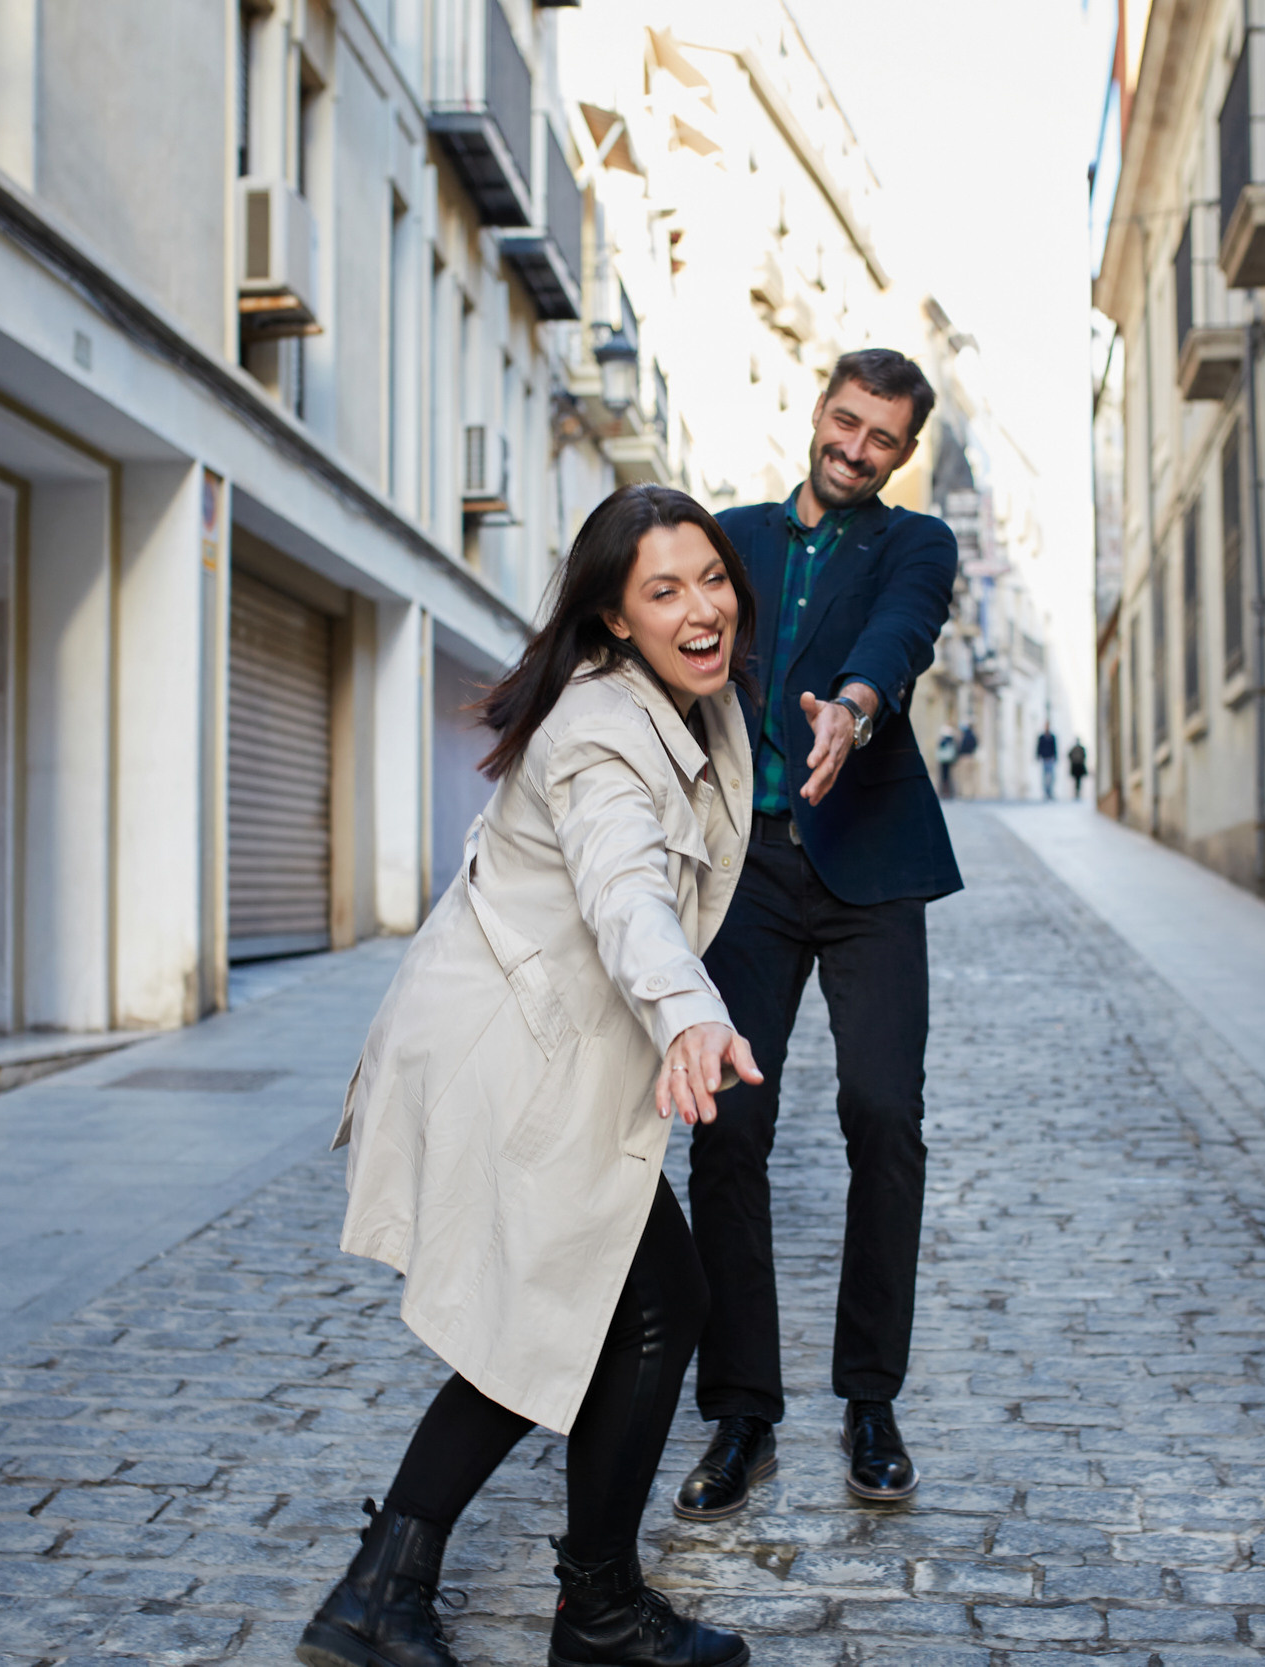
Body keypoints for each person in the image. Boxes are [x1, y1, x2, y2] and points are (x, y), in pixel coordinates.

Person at [301, 485, 764, 1667]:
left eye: (709, 575)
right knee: (645, 1307)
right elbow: (627, 893)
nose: (699, 606)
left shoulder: (700, 704)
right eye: (662, 590)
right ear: (613, 617)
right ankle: (584, 1608)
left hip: (546, 1038)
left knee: (602, 1310)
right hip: (509, 1051)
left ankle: (393, 1590)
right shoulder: (604, 728)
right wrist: (687, 1013)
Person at [673, 348, 962, 1522]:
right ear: (817, 410)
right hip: (747, 868)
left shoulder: (916, 544)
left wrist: (851, 706)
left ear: (903, 451)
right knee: (729, 1124)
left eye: (881, 438)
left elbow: (900, 632)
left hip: (870, 868)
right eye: (845, 421)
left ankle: (870, 1396)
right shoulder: (728, 533)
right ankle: (741, 1409)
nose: (854, 448)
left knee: (884, 1116)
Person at [934, 727, 959, 799]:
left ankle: (945, 792)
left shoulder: (943, 741)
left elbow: (939, 749)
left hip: (943, 761)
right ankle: (948, 793)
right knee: (948, 777)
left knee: (944, 777)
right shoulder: (952, 740)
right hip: (949, 761)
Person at [1035, 727, 1059, 800]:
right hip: (1044, 758)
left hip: (1050, 759)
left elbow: (1054, 747)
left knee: (1051, 777)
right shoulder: (1042, 737)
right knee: (1045, 777)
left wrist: (1055, 757)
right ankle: (1046, 792)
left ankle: (1050, 792)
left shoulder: (1052, 737)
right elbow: (1039, 747)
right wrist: (1038, 755)